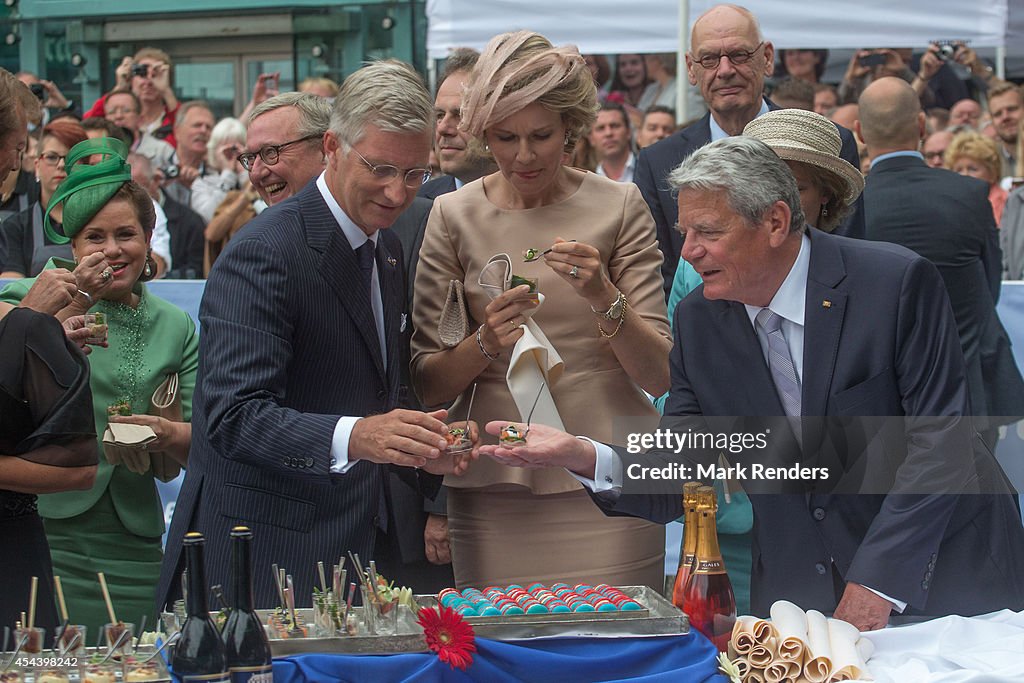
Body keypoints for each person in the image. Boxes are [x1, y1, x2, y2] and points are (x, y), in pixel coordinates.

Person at [479, 135, 1024, 628]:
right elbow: (687, 463)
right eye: (685, 232)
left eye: (708, 232)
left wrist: (876, 584)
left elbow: (941, 441)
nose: (689, 251)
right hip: (801, 596)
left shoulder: (895, 283)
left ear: (776, 222)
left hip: (943, 578)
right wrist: (582, 454)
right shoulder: (699, 319)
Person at [156, 60, 468, 611]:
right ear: (332, 147)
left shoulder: (387, 247)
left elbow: (369, 398)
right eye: (380, 169)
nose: (398, 193)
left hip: (349, 549)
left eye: (416, 174)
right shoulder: (264, 251)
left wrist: (418, 451)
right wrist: (361, 437)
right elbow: (231, 416)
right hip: (267, 554)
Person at [411, 31, 671, 590]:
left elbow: (658, 373)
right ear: (482, 133)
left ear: (572, 128)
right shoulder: (451, 214)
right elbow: (427, 382)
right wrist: (485, 342)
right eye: (505, 138)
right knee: (500, 661)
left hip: (607, 477)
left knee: (620, 655)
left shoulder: (620, 204)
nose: (523, 155)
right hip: (494, 482)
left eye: (541, 136)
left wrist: (604, 295)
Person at [0, 137, 199, 633]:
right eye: (95, 237)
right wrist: (62, 310)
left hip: (136, 540)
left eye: (126, 233)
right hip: (46, 530)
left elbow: (201, 444)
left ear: (149, 238)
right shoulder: (25, 298)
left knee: (134, 665)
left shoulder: (176, 324)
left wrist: (164, 433)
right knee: (48, 662)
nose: (112, 250)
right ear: (71, 245)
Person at [635, 4, 863, 298]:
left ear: (767, 58)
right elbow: (661, 275)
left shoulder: (827, 143)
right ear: (691, 69)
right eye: (709, 59)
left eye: (739, 55)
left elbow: (847, 258)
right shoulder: (658, 162)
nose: (725, 70)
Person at [858, 78, 1024, 444]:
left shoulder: (850, 205)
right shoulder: (968, 193)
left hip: (886, 399)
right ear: (921, 126)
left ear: (860, 132)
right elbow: (990, 285)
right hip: (969, 389)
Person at [0, 65, 98, 647]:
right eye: (18, 146)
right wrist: (28, 320)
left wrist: (34, 330)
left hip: (16, 539)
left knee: (34, 662)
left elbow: (77, 470)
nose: (20, 162)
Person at [0, 119, 88, 278]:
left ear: (85, 168)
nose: (61, 165)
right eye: (52, 157)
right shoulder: (16, 227)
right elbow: (10, 286)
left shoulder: (100, 221)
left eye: (70, 159)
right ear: (37, 166)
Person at [418, 48, 496, 200]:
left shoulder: (534, 200)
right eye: (439, 115)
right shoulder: (415, 204)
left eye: (460, 115)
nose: (442, 128)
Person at [238, 92, 329, 206]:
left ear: (325, 149)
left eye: (270, 152)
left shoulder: (356, 217)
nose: (256, 173)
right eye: (250, 158)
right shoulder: (260, 223)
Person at [83, 48, 180, 147]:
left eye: (155, 75)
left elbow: (185, 130)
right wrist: (120, 87)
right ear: (131, 78)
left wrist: (166, 91)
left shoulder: (173, 116)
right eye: (141, 73)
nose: (148, 82)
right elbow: (87, 125)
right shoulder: (119, 116)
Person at [189, 117, 246, 223]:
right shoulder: (201, 184)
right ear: (214, 150)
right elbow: (209, 217)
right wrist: (228, 175)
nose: (232, 155)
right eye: (226, 150)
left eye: (236, 149)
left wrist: (244, 172)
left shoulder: (252, 176)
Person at [944, 131, 1008, 223]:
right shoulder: (950, 205)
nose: (964, 175)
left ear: (992, 173)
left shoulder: (1006, 203)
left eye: (972, 169)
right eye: (958, 170)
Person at [590, 101, 635, 182]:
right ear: (591, 138)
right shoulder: (588, 183)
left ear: (628, 132)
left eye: (615, 126)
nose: (608, 133)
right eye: (601, 128)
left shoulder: (649, 170)